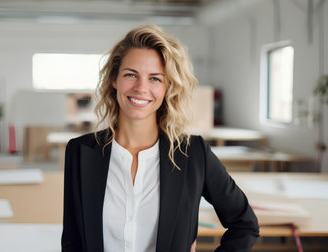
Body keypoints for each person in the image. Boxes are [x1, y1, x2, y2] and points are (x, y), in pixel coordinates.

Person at [61, 24, 259, 252]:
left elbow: (245, 225)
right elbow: (72, 241)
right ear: (114, 79)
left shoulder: (192, 154)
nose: (141, 88)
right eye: (130, 75)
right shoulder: (80, 152)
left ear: (168, 87)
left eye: (155, 78)